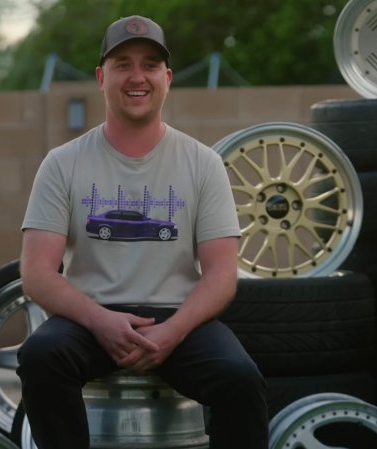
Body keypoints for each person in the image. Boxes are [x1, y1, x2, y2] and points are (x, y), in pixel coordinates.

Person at [16, 15, 268, 449]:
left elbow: (222, 275)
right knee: (39, 357)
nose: (138, 77)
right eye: (122, 64)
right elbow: (37, 272)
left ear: (167, 78)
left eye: (150, 65)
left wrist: (172, 332)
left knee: (241, 380)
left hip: (177, 316)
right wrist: (99, 320)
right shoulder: (63, 162)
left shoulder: (202, 162)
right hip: (90, 317)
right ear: (101, 77)